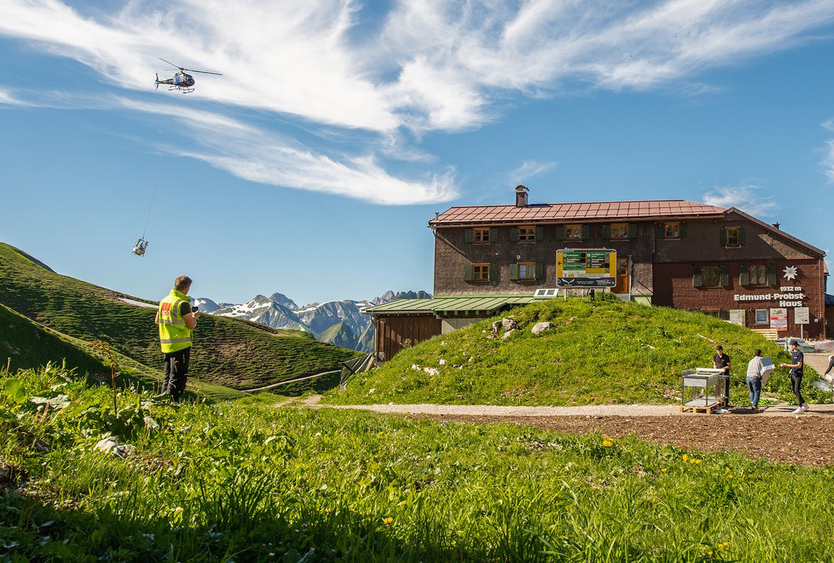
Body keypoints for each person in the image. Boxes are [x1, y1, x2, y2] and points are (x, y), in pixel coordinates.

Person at [155, 275, 200, 402]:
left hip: (166, 344)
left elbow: (157, 320)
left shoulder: (163, 302)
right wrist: (194, 317)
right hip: (180, 345)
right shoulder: (182, 304)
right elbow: (191, 325)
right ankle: (172, 402)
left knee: (168, 375)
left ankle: (163, 400)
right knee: (178, 377)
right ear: (186, 288)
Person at [780, 340, 807, 414]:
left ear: (794, 345)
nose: (790, 347)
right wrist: (790, 371)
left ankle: (800, 406)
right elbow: (794, 364)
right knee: (794, 390)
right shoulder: (793, 354)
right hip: (793, 373)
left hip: (798, 374)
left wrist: (786, 365)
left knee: (797, 390)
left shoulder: (799, 354)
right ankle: (804, 404)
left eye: (790, 346)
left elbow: (799, 365)